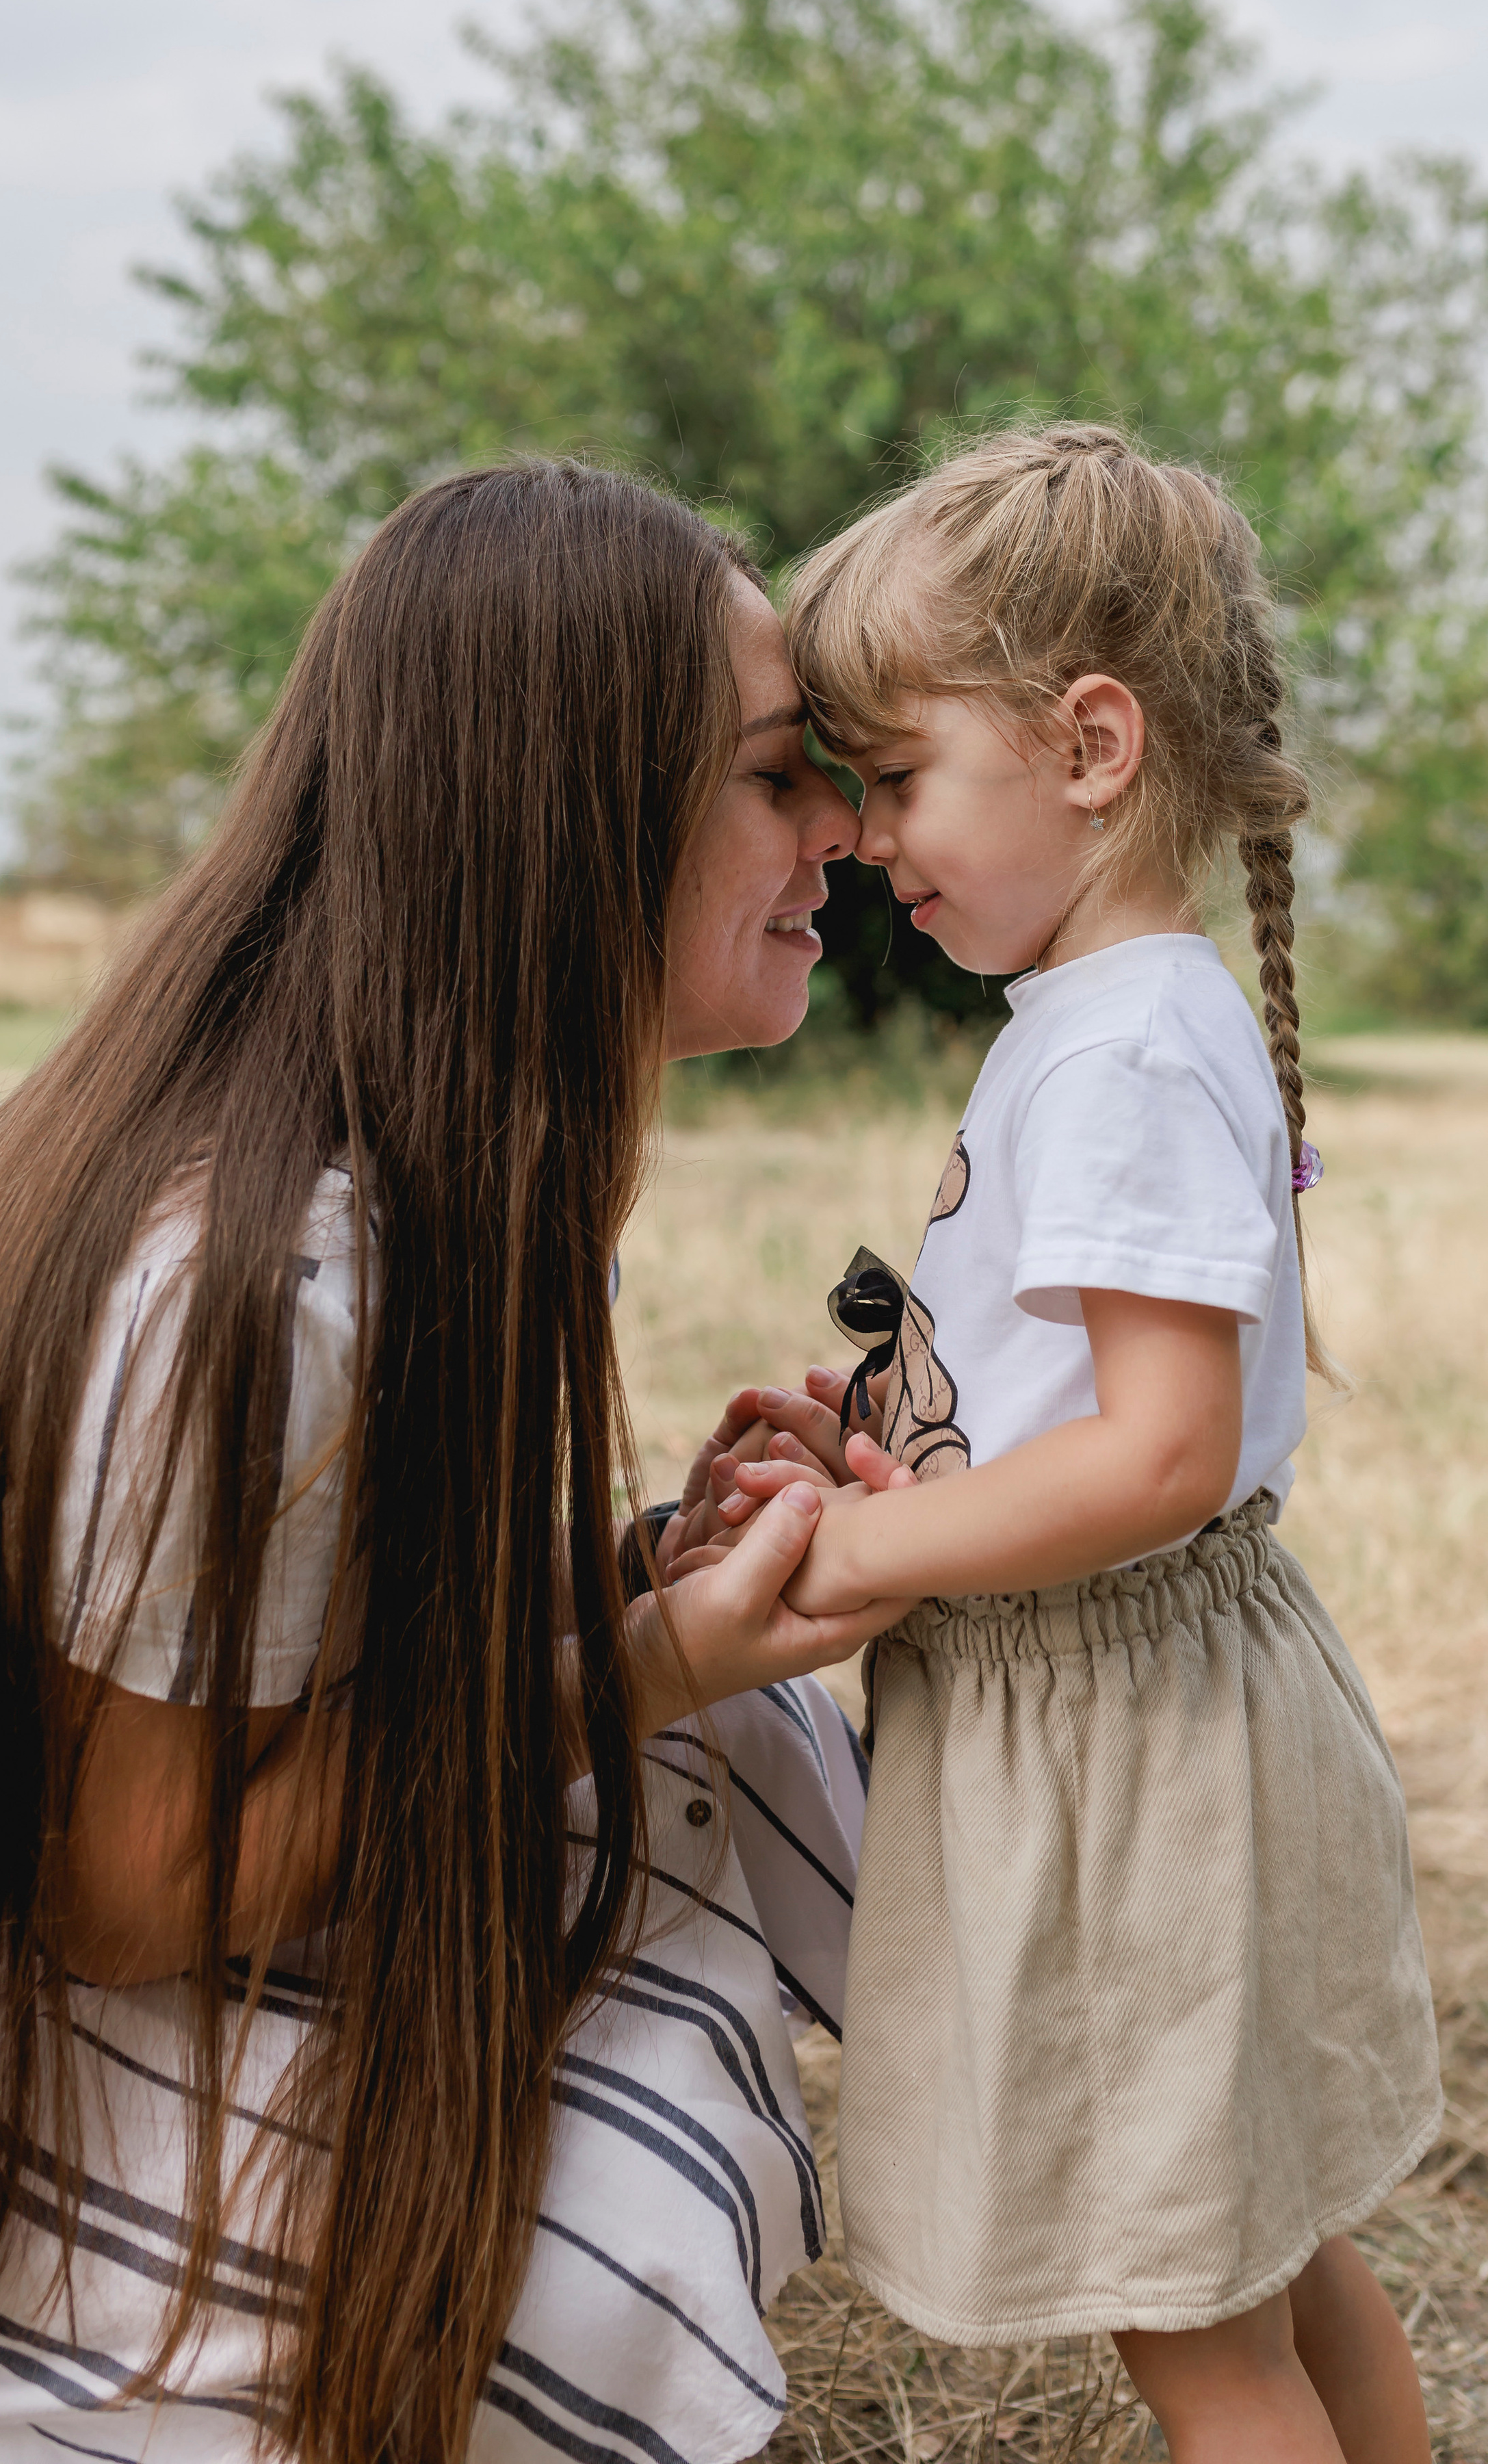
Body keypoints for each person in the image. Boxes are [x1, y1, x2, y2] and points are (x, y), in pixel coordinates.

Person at [0, 461, 904, 2462]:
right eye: (777, 772)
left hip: (9, 1897)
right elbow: (123, 1890)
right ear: (566, 812)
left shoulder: (444, 1155)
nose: (847, 830)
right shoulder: (280, 1285)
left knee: (719, 1784)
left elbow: (325, 1652)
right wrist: (654, 1661)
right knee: (617, 2186)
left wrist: (625, 1572)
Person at [679, 426, 1442, 2461]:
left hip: (1123, 1753)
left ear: (1092, 746)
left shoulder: (1118, 1050)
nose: (861, 839)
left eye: (895, 777)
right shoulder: (1111, 1020)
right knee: (1269, 2260)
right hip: (1169, 1709)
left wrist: (861, 1556)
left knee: (1195, 2327)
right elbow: (1055, 1374)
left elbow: (1160, 1457)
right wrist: (882, 1432)